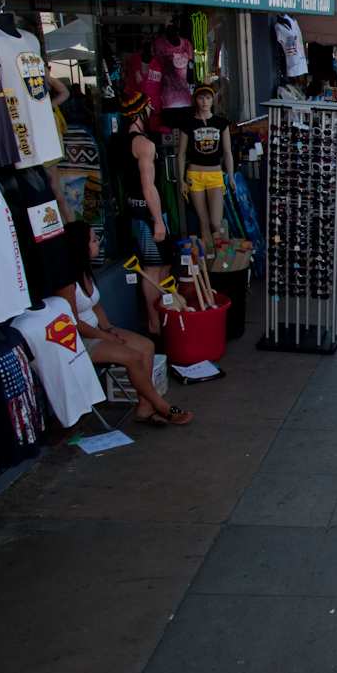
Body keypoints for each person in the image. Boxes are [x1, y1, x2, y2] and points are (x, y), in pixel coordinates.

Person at [63, 221, 193, 426]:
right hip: (80, 341)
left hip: (98, 330)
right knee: (133, 357)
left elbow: (95, 305)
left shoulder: (86, 271)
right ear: (80, 246)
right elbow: (72, 322)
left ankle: (144, 406)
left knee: (147, 347)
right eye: (93, 240)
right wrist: (104, 336)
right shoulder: (67, 282)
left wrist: (108, 327)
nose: (98, 243)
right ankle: (161, 405)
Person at [115, 92, 172, 336]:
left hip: (131, 209)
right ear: (140, 112)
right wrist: (158, 220)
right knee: (153, 269)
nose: (151, 112)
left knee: (161, 266)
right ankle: (155, 325)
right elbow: (148, 186)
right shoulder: (144, 145)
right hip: (147, 213)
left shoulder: (116, 142)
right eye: (148, 108)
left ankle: (159, 320)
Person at [177, 84, 233, 248]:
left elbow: (228, 152)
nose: (205, 101)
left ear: (213, 100)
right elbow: (181, 154)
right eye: (201, 97)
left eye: (208, 98)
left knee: (216, 221)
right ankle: (209, 261)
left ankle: (222, 254)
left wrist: (230, 175)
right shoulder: (188, 123)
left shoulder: (221, 122)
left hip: (215, 174)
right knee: (204, 221)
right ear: (195, 100)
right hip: (195, 175)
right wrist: (181, 180)